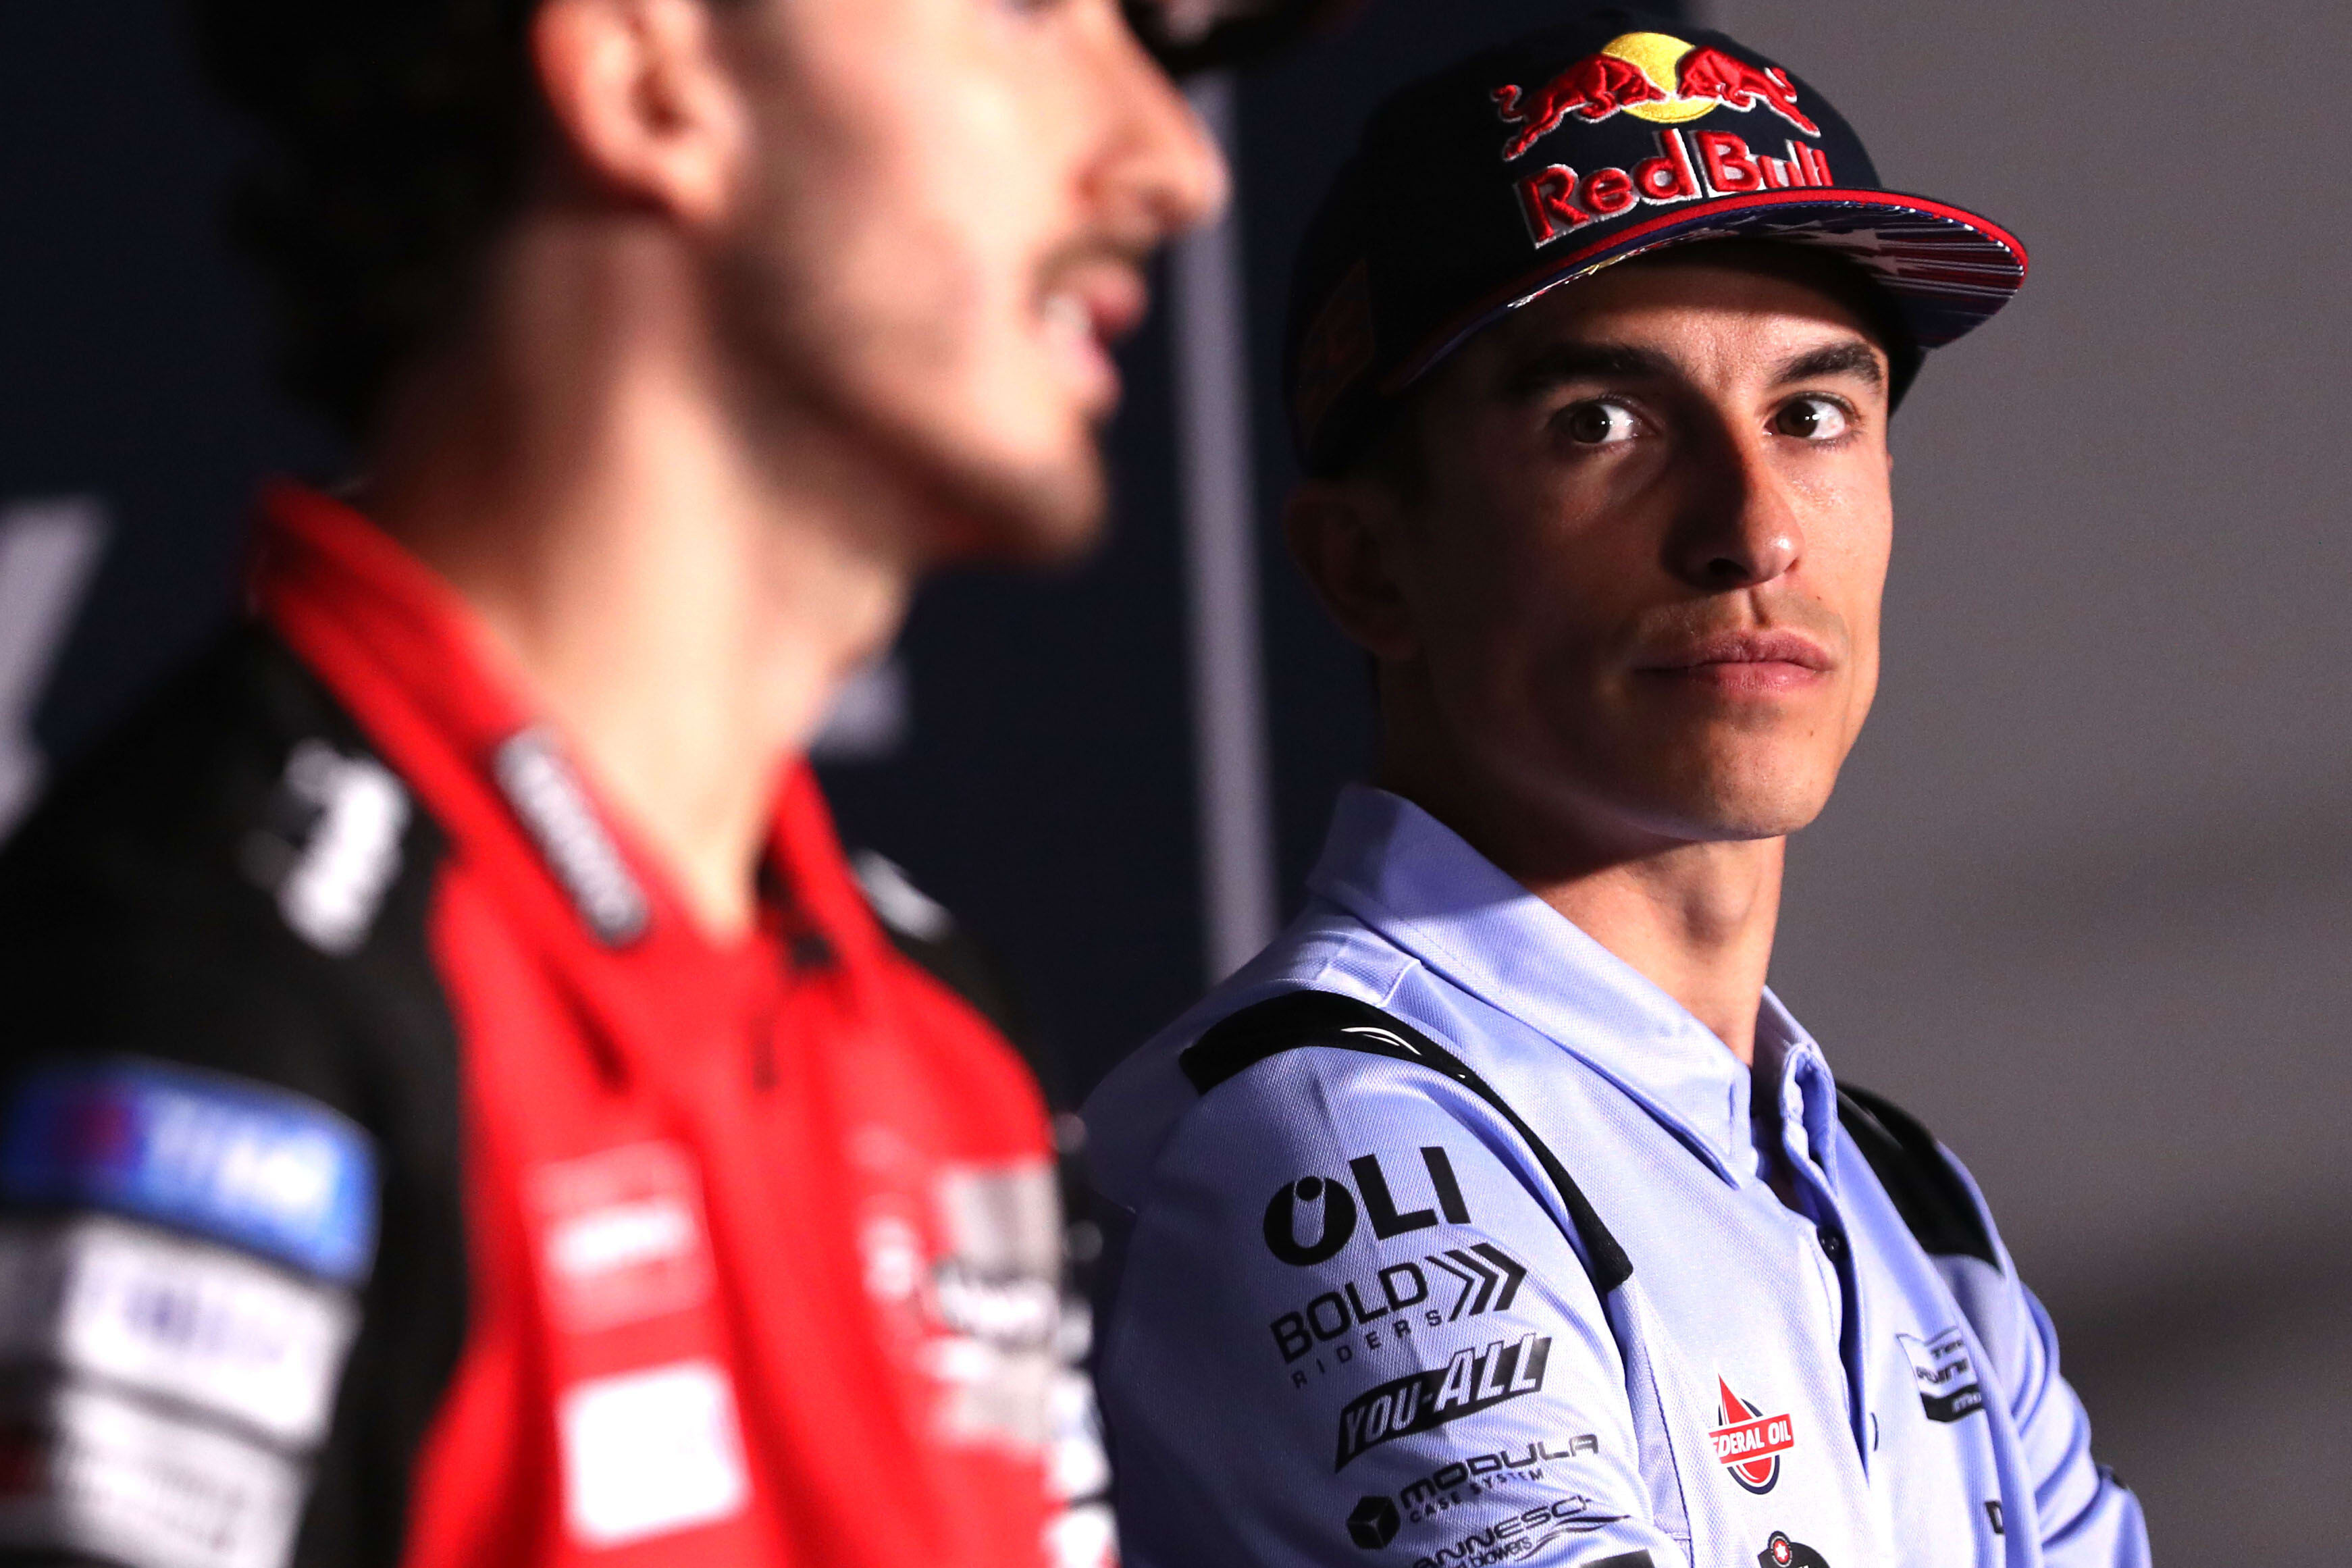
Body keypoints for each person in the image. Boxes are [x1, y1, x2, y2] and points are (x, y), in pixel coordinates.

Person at [0, 2, 1326, 1566]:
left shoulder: (941, 1037)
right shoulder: (212, 985)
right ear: (646, 79)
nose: (1172, 163)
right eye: (1030, 10)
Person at [1082, 11, 2151, 1567]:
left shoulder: (1894, 1188)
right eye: (1602, 422)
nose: (1752, 529)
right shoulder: (1327, 1139)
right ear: (1365, 565)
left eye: (1811, 414)